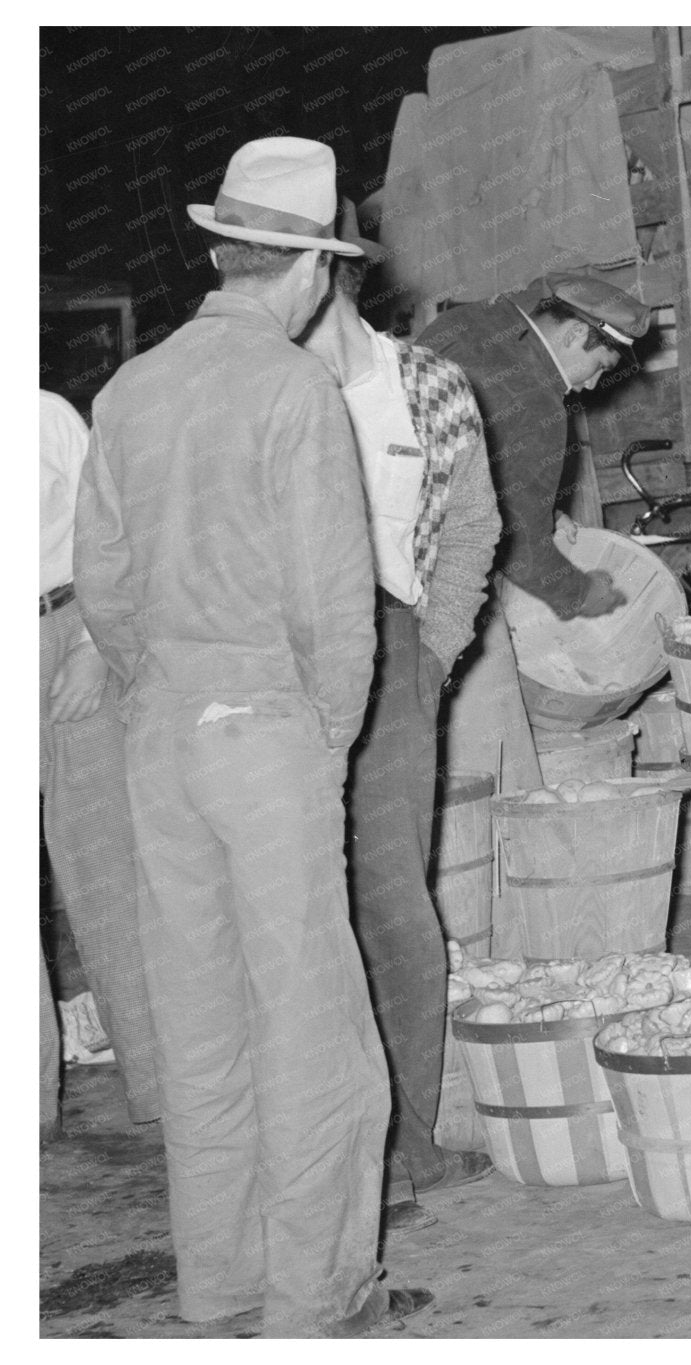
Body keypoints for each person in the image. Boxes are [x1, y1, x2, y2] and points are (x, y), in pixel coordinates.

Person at [72, 137, 428, 1335]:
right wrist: (318, 739)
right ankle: (315, 1296)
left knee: (202, 1017)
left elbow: (104, 587)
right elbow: (338, 608)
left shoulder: (130, 389)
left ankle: (216, 1285)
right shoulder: (290, 390)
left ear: (227, 254)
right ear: (315, 271)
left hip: (160, 731)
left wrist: (165, 691)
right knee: (310, 1019)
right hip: (265, 731)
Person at [301, 202, 499, 1234]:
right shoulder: (262, 383)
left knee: (391, 906)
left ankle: (410, 1139)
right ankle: (320, 1150)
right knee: (296, 914)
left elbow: (472, 525)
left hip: (390, 663)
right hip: (277, 661)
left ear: (333, 268)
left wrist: (431, 649)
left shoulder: (425, 385)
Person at [413, 271, 650, 791]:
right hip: (443, 579)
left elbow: (465, 461)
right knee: (491, 748)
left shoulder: (464, 322)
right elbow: (515, 542)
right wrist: (579, 591)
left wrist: (541, 511)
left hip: (393, 554)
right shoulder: (539, 402)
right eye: (597, 365)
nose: (590, 385)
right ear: (569, 335)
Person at [40, 390, 160, 1135]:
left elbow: (113, 531)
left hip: (59, 634)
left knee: (107, 874)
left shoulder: (41, 412)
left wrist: (91, 642)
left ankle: (162, 1090)